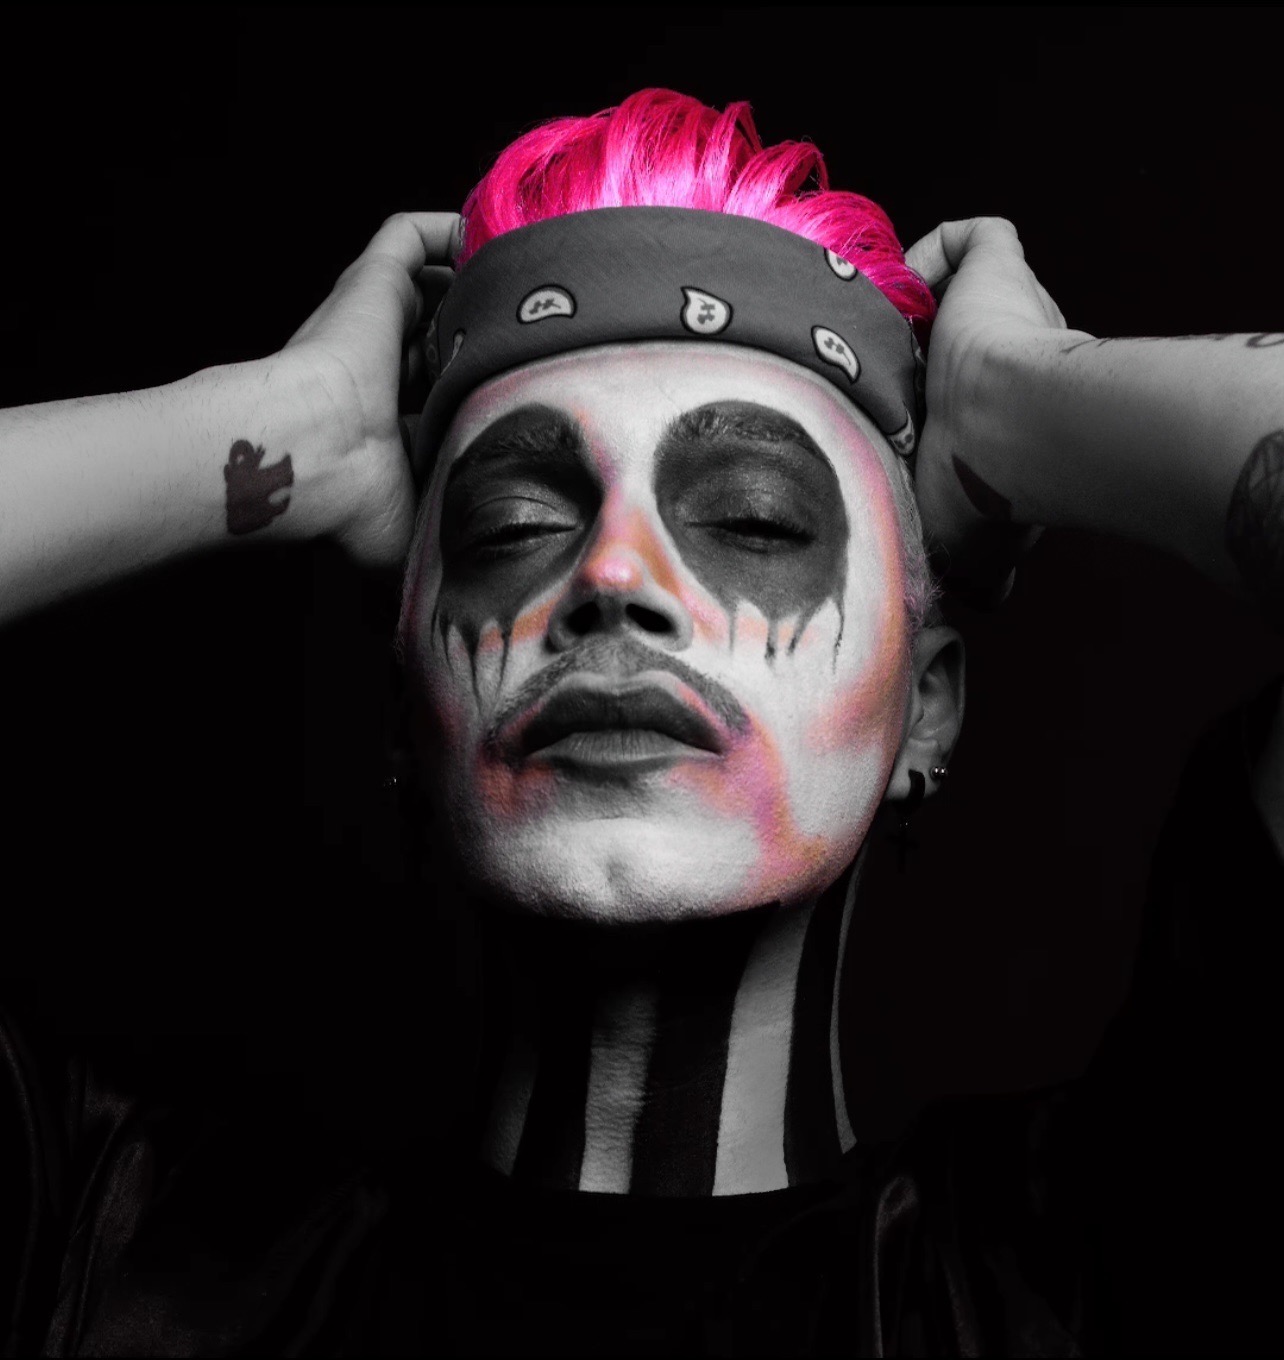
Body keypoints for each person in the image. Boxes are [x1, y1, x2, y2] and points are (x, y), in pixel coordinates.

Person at [2, 88, 1280, 1355]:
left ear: (927, 705)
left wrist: (1018, 398)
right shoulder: (117, 1255)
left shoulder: (1129, 1256)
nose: (613, 575)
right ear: (404, 706)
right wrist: (287, 430)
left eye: (754, 518)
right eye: (512, 526)